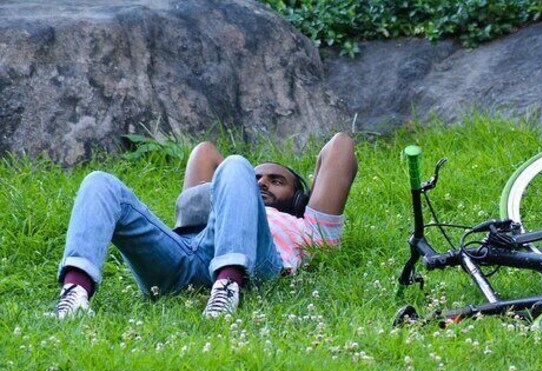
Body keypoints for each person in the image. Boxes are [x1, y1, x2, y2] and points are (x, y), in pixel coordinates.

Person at [54, 132, 357, 319]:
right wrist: (232, 186)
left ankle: (227, 286)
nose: (262, 182)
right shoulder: (222, 194)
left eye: (276, 181)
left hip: (257, 263)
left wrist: (311, 191)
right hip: (183, 254)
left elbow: (339, 147)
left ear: (298, 198)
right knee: (100, 182)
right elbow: (205, 151)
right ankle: (74, 294)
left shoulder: (307, 227)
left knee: (236, 163)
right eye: (256, 178)